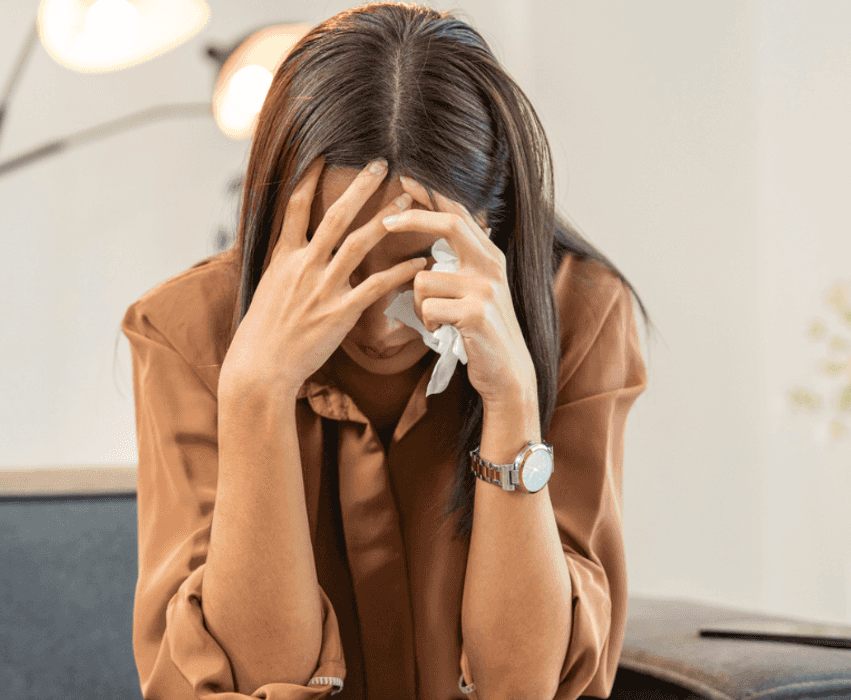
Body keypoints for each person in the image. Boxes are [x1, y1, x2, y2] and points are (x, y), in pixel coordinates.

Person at [121, 3, 653, 699]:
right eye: (343, 271)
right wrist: (256, 394)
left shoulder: (578, 312)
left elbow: (525, 685)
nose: (378, 327)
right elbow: (251, 681)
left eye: (415, 275)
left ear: (487, 226)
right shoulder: (186, 331)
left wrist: (512, 402)